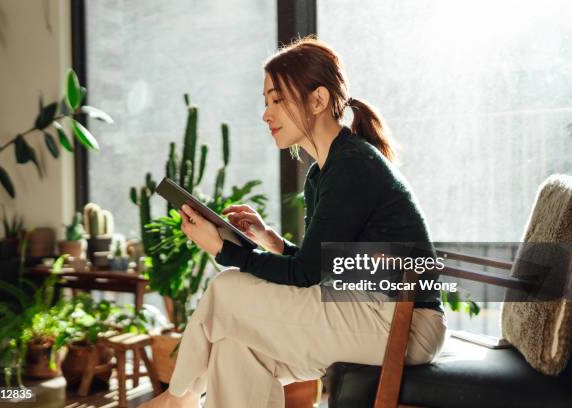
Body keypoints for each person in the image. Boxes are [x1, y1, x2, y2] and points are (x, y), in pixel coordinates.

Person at [139, 35, 447, 408]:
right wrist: (270, 240)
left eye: (277, 99)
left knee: (227, 288)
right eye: (266, 101)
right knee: (236, 347)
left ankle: (179, 399)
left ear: (317, 100)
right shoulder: (324, 171)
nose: (266, 114)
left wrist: (222, 249)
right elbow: (321, 265)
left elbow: (306, 275)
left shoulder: (351, 165)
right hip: (367, 310)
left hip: (404, 323)